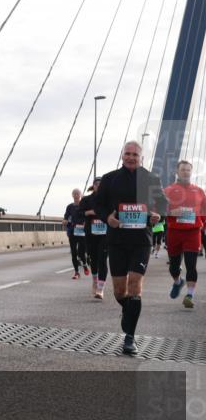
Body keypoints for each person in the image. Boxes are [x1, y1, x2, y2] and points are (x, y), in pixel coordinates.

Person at [93, 140, 166, 354]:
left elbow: (162, 203)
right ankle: (129, 312)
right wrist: (108, 218)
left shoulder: (152, 178)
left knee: (135, 285)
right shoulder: (109, 179)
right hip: (116, 240)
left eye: (135, 154)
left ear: (141, 157)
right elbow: (98, 204)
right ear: (122, 155)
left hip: (141, 240)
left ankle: (130, 338)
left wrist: (157, 214)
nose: (131, 157)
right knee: (119, 291)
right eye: (128, 154)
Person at [163, 160, 206, 309]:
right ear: (177, 171)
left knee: (191, 265)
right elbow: (159, 210)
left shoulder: (199, 191)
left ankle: (189, 295)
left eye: (188, 170)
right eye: (183, 170)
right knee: (173, 267)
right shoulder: (168, 190)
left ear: (191, 172)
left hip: (193, 232)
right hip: (174, 232)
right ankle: (177, 281)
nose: (186, 172)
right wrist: (170, 212)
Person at [80, 177, 108, 299]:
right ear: (93, 186)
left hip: (105, 234)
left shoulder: (108, 199)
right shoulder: (86, 199)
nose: (99, 185)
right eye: (97, 184)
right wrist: (90, 212)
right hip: (91, 234)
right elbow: (79, 213)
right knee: (93, 259)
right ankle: (95, 280)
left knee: (102, 259)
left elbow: (114, 211)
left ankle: (100, 289)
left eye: (101, 184)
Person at [63, 188, 88, 279]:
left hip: (82, 232)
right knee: (73, 252)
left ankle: (84, 264)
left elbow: (87, 215)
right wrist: (64, 221)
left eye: (78, 193)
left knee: (81, 253)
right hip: (72, 231)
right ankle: (76, 272)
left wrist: (86, 222)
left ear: (80, 195)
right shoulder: (69, 206)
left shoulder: (84, 205)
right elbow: (66, 217)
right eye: (74, 193)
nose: (76, 195)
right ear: (72, 195)